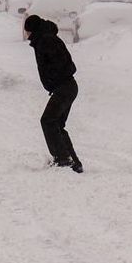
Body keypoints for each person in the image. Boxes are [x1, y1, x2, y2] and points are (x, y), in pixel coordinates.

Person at [23, 14, 83, 173]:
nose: (26, 35)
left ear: (32, 30)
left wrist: (54, 80)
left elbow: (60, 63)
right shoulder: (44, 39)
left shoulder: (46, 41)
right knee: (56, 124)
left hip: (64, 87)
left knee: (48, 120)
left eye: (27, 31)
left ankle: (63, 159)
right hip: (65, 87)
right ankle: (73, 163)